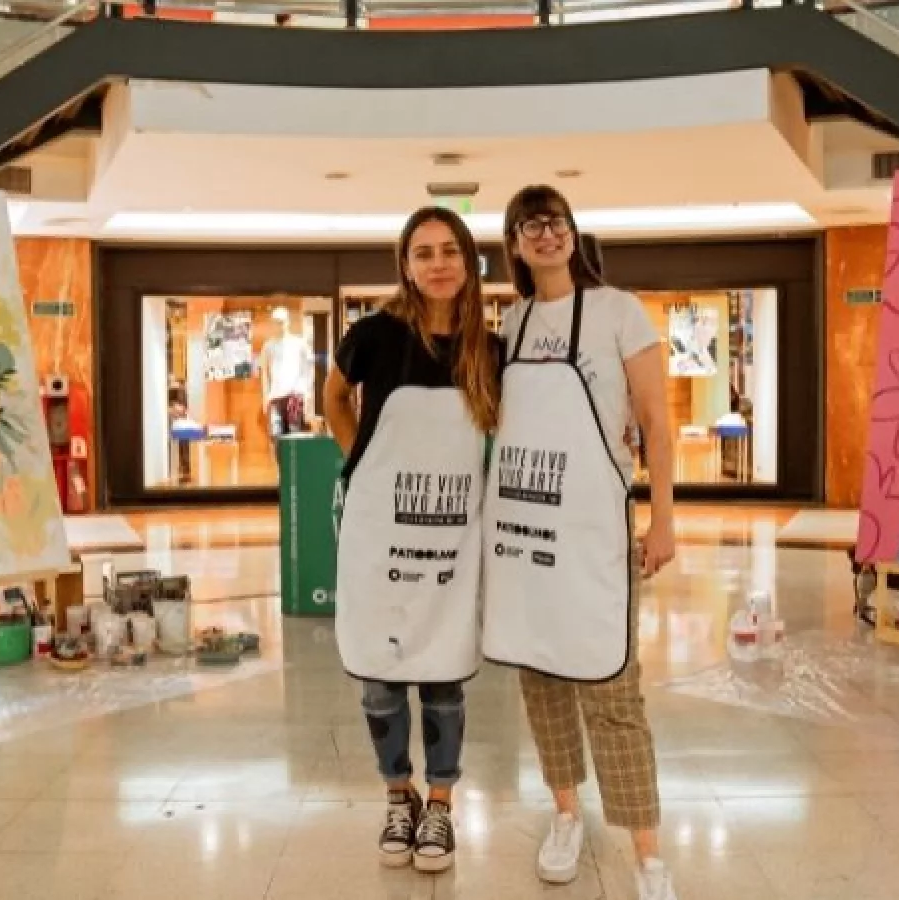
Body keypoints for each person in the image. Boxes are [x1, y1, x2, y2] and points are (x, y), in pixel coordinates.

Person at [481, 185, 679, 900]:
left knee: (612, 685)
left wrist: (664, 517)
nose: (546, 233)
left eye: (555, 221)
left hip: (597, 529)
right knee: (541, 680)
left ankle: (648, 855)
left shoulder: (618, 311)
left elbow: (655, 423)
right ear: (515, 243)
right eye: (530, 225)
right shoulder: (512, 322)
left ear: (571, 232)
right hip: (526, 530)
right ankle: (565, 815)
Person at [324, 207, 502, 873]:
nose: (438, 264)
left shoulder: (489, 349)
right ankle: (398, 796)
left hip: (451, 538)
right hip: (380, 533)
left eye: (449, 250)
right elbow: (334, 398)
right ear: (405, 264)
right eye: (423, 252)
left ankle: (442, 804)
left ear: (468, 260)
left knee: (444, 676)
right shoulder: (373, 335)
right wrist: (359, 462)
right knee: (380, 677)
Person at [258, 306, 314, 441]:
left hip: (295, 394)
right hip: (275, 396)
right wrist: (265, 397)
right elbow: (264, 372)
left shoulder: (300, 343)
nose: (279, 325)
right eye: (276, 322)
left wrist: (307, 393)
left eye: (281, 321)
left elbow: (309, 369)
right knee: (276, 436)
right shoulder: (268, 346)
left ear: (288, 322)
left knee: (294, 436)